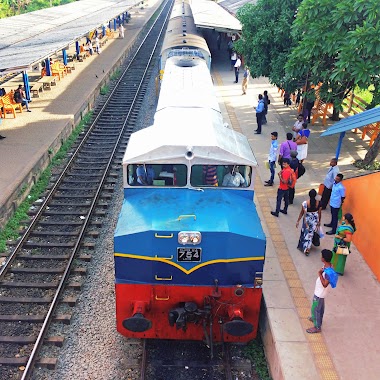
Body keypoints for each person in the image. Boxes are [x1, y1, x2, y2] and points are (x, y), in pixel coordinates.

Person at [306, 249, 337, 334]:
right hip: (320, 293)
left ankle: (317, 327)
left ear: (323, 258)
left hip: (319, 294)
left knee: (315, 309)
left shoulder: (327, 272)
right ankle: (315, 318)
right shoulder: (329, 266)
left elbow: (325, 284)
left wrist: (319, 274)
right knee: (320, 308)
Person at [296, 189, 322, 256]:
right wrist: (319, 222)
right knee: (311, 234)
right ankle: (308, 248)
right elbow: (319, 213)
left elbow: (302, 213)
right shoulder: (318, 203)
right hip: (314, 220)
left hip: (307, 221)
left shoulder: (305, 203)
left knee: (305, 233)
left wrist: (298, 220)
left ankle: (304, 247)